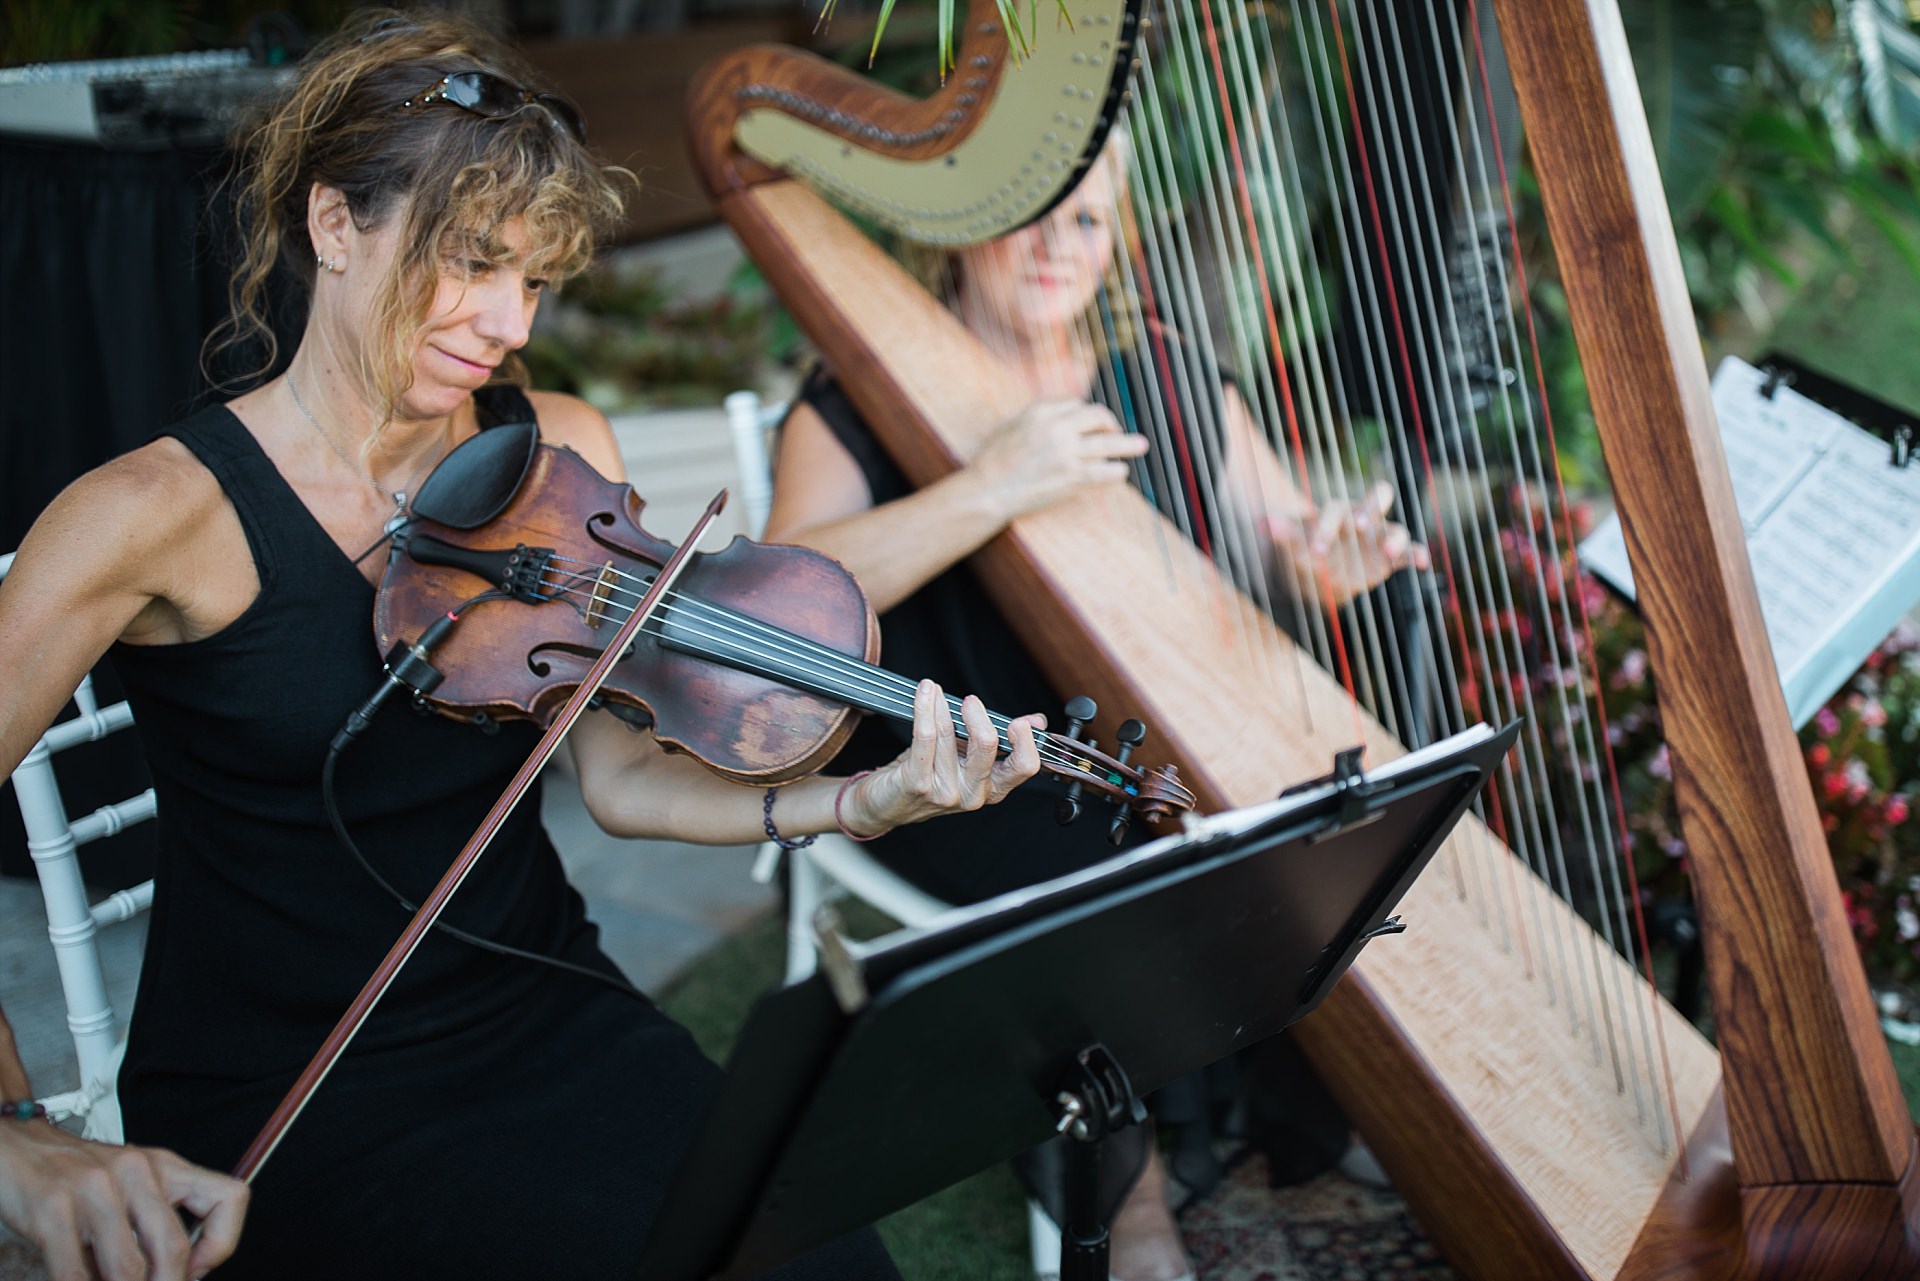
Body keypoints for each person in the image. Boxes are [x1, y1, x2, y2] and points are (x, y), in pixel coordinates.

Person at [0, 10, 1042, 1280]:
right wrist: (16, 1132)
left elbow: (619, 778)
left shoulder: (561, 457)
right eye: (471, 263)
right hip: (283, 1088)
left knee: (823, 1265)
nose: (511, 324)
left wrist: (860, 799)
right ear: (335, 225)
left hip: (542, 1003)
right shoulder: (146, 518)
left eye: (535, 280)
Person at [764, 137, 1424, 1280]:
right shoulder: (854, 398)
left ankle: (1332, 1086)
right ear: (962, 217)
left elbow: (1286, 541)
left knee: (1329, 801)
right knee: (1088, 872)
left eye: (1088, 222)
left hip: (1152, 746)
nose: (1055, 248)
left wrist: (1331, 559)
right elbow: (781, 605)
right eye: (1032, 211)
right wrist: (991, 488)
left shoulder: (1161, 370)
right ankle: (1132, 1210)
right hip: (976, 773)